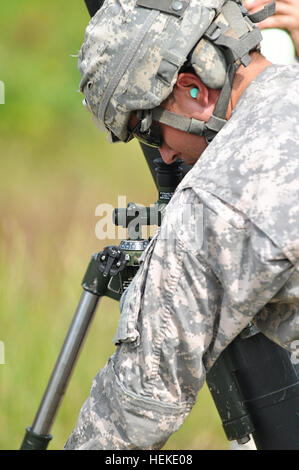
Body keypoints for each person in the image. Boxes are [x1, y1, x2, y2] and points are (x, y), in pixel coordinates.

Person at [65, 0, 299, 449]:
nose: (165, 156)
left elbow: (130, 415)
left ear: (194, 89)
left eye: (150, 131)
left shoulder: (218, 201)